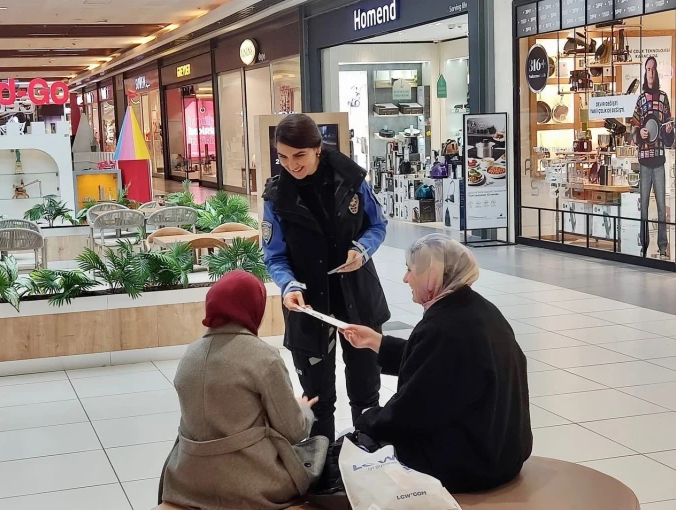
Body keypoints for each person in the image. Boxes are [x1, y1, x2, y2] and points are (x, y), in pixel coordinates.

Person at [341, 235, 532, 493]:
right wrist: (378, 342)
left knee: (359, 448)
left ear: (432, 277)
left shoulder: (444, 329)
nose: (405, 279)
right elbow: (434, 364)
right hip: (504, 450)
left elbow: (413, 412)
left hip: (475, 464)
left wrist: (368, 419)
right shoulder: (477, 311)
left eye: (410, 270)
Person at [262, 113, 390, 442]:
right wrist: (288, 286)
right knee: (318, 401)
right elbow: (274, 255)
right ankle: (321, 471)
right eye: (283, 157)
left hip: (358, 298)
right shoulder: (277, 197)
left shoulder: (351, 179)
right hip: (308, 306)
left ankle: (367, 461)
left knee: (366, 394)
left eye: (299, 155)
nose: (291, 165)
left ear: (317, 148)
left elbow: (377, 225)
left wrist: (361, 250)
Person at [160, 270, 326, 510]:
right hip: (250, 484)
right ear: (254, 307)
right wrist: (304, 411)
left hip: (186, 481)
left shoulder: (190, 355)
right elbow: (293, 430)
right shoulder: (263, 357)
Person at [631, 56, 674, 260]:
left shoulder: (664, 98)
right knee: (644, 207)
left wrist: (669, 130)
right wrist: (640, 133)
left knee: (660, 207)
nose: (650, 72)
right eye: (647, 69)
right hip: (644, 161)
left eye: (653, 69)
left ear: (656, 72)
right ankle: (644, 245)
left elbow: (668, 134)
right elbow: (634, 128)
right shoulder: (640, 100)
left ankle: (663, 247)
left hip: (659, 161)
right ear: (644, 71)